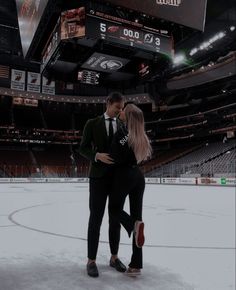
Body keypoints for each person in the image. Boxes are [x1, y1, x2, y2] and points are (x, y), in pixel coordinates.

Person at [79, 92, 126, 278]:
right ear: (108, 103)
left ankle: (114, 258)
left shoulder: (123, 125)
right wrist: (96, 156)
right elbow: (82, 147)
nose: (119, 111)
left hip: (117, 179)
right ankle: (91, 260)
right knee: (95, 220)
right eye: (117, 108)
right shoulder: (92, 123)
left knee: (115, 220)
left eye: (122, 109)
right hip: (98, 178)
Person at [109, 103, 152, 276]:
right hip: (138, 177)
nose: (121, 111)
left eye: (123, 110)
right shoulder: (140, 135)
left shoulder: (121, 133)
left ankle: (132, 226)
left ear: (127, 116)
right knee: (138, 218)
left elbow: (113, 156)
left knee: (113, 209)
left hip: (123, 176)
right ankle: (136, 266)